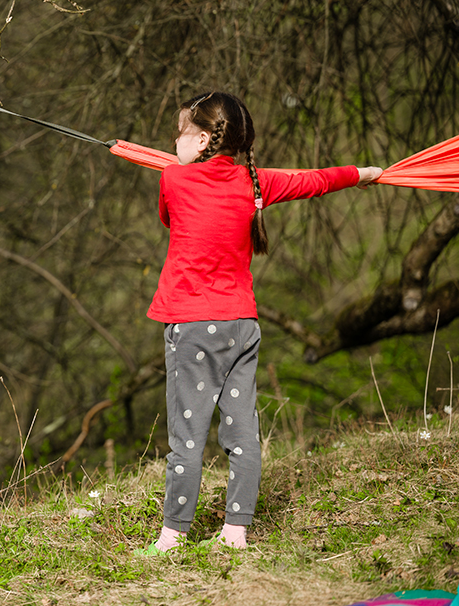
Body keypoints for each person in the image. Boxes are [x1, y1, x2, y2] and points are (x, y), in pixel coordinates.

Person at [136, 92, 381, 555]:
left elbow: (170, 217)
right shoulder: (255, 182)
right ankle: (235, 532)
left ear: (204, 138)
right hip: (241, 326)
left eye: (181, 132)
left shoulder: (172, 178)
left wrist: (181, 171)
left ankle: (172, 536)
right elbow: (313, 180)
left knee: (187, 436)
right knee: (242, 430)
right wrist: (361, 174)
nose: (174, 141)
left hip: (193, 326)